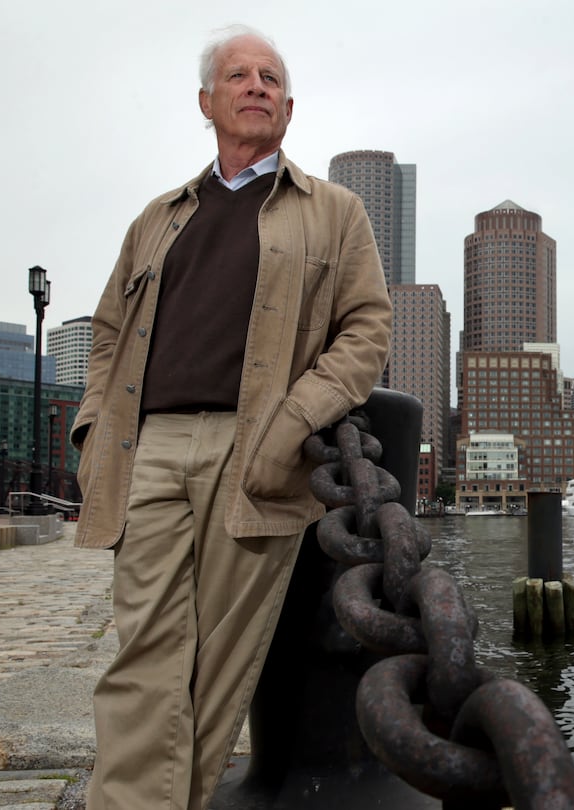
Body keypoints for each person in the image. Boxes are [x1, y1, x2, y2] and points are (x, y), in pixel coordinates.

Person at [70, 25, 392, 808]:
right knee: (142, 652)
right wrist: (91, 432)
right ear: (206, 101)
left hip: (257, 454)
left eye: (271, 78)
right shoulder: (158, 218)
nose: (256, 85)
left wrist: (293, 423)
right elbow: (109, 331)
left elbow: (368, 329)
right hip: (149, 448)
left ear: (289, 106)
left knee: (219, 661)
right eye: (239, 75)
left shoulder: (335, 212)